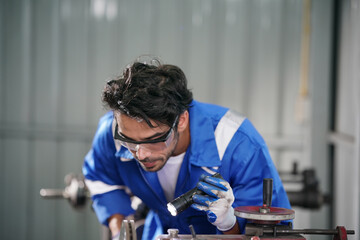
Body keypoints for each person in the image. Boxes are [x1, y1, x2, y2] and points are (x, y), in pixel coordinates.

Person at [82, 56, 291, 240]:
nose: (141, 154)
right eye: (129, 141)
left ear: (181, 120)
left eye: (155, 139)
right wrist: (120, 231)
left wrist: (228, 223)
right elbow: (100, 178)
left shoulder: (238, 144)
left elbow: (264, 233)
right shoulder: (113, 132)